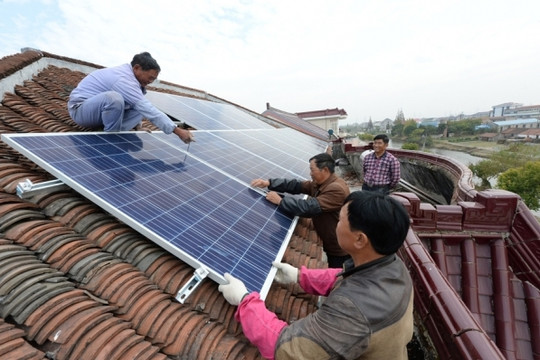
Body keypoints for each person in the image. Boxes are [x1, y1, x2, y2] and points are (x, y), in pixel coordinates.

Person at [218, 191, 414, 359]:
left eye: (341, 219)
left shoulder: (352, 313)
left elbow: (289, 351)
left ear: (360, 239)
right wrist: (299, 276)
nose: (336, 223)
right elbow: (345, 277)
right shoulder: (393, 267)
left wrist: (245, 301)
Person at [67, 52, 194, 143]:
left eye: (153, 80)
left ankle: (110, 129)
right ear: (137, 68)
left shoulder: (133, 82)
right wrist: (177, 131)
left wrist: (138, 126)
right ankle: (110, 139)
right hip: (81, 110)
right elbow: (147, 109)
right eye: (150, 78)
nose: (150, 82)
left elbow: (139, 105)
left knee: (139, 104)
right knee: (115, 99)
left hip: (99, 113)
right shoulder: (123, 79)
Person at [251, 153, 350, 268]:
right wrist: (269, 183)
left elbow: (308, 207)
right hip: (332, 242)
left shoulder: (336, 189)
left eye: (312, 170)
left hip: (340, 248)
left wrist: (280, 201)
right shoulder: (321, 183)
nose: (310, 173)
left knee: (338, 277)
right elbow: (297, 185)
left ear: (325, 170)